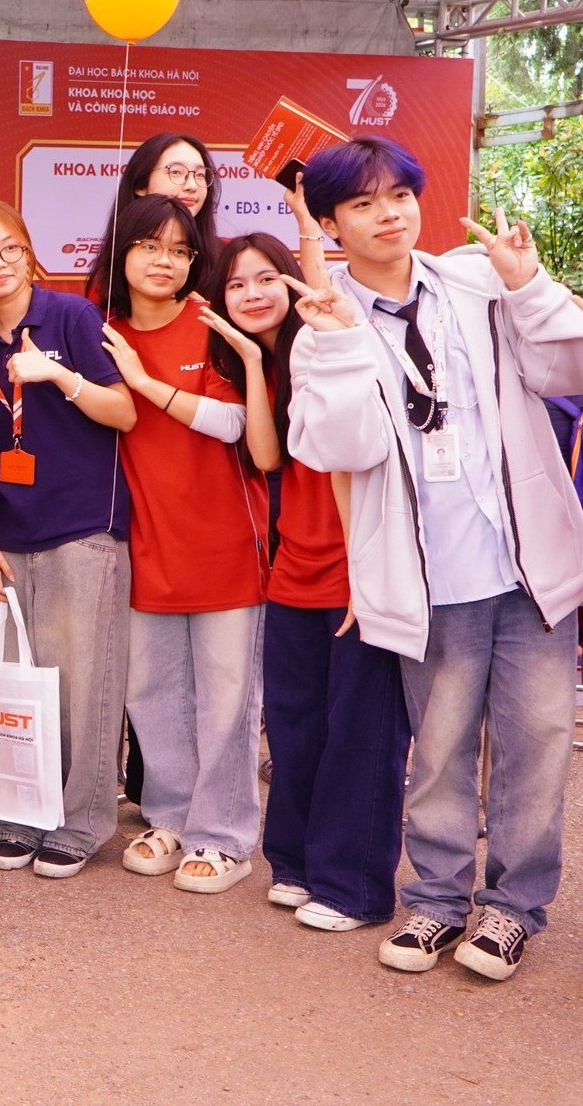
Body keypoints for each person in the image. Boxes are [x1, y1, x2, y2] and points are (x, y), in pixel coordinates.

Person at [287, 136, 583, 980]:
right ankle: (437, 904)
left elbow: (568, 364)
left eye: (400, 195)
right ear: (333, 223)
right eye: (364, 202)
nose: (390, 213)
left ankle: (512, 909)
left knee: (535, 741)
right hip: (431, 577)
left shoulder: (477, 279)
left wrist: (528, 285)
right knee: (441, 746)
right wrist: (343, 343)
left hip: (528, 567)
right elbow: (336, 447)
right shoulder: (321, 319)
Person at [207, 227, 411, 932]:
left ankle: (353, 886)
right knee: (294, 727)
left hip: (353, 568)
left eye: (266, 277)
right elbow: (265, 456)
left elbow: (353, 465)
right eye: (235, 283)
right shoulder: (271, 364)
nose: (252, 293)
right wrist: (248, 359)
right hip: (292, 569)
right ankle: (293, 863)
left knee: (360, 732)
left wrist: (363, 574)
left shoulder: (326, 347)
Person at [92, 195, 272, 894]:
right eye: (148, 247)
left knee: (228, 699)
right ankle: (167, 817)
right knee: (153, 691)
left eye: (179, 250)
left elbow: (238, 424)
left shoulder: (210, 324)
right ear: (122, 252)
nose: (163, 261)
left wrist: (147, 385)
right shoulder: (102, 331)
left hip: (227, 544)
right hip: (145, 545)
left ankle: (222, 836)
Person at [0, 201, 137, 878]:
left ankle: (84, 816)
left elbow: (123, 410)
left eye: (8, 248)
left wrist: (60, 376)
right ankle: (19, 813)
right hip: (10, 532)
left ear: (30, 253)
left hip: (82, 525)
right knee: (19, 679)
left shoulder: (70, 318)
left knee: (83, 678)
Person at [89, 133, 223, 299]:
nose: (192, 185)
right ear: (141, 185)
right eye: (176, 172)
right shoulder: (107, 276)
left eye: (200, 175)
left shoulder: (228, 257)